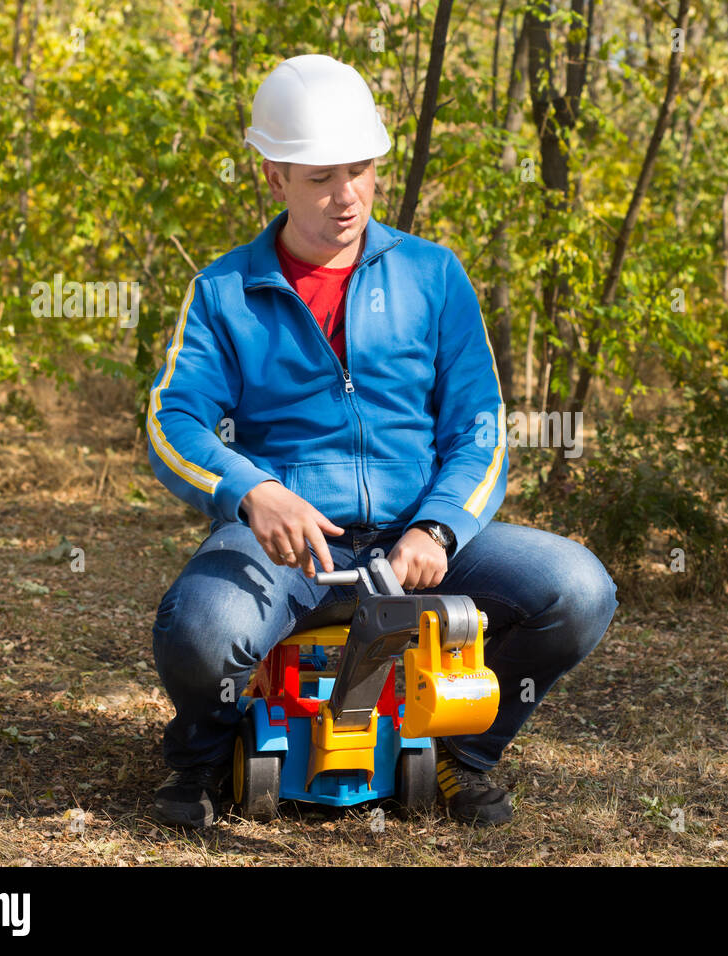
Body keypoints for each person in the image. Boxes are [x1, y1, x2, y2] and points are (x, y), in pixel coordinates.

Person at [145, 54, 618, 828]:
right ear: (275, 177)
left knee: (580, 588)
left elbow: (480, 429)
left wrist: (439, 525)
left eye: (361, 170)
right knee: (204, 631)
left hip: (419, 534)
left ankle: (464, 755)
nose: (347, 196)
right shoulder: (223, 291)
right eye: (322, 176)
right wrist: (251, 491)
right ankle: (201, 757)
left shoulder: (434, 276)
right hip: (287, 550)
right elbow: (174, 422)